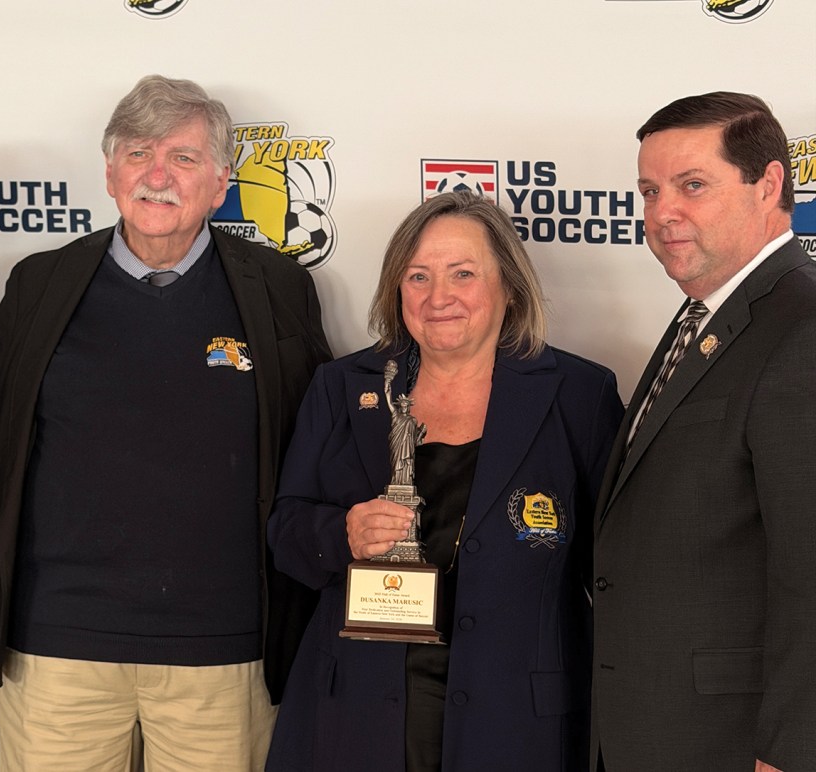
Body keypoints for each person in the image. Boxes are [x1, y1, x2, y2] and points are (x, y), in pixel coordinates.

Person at [0, 74, 331, 771]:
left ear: (220, 183)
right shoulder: (38, 284)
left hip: (225, 659)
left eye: (183, 157)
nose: (157, 176)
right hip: (55, 651)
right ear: (110, 173)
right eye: (138, 154)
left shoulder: (280, 289)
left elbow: (316, 457)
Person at [266, 191, 624, 771]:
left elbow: (614, 571)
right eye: (419, 276)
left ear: (509, 287)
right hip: (357, 708)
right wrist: (342, 533)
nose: (439, 298)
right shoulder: (342, 386)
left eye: (463, 273)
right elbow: (286, 532)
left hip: (515, 718)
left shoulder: (579, 395)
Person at [592, 92, 816, 772]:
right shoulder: (705, 314)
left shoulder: (803, 326)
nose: (662, 213)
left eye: (692, 185)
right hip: (653, 729)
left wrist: (792, 752)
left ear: (768, 185)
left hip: (733, 744)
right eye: (650, 191)